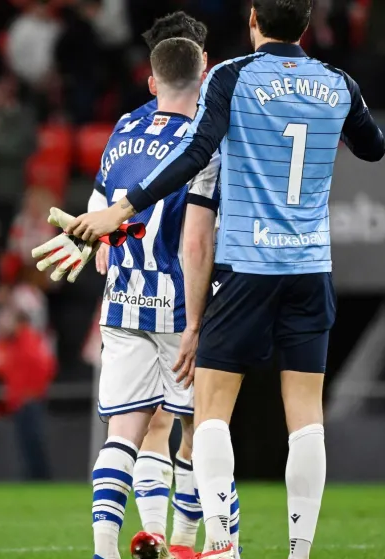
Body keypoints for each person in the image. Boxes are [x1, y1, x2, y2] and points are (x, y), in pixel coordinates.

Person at [62, 1, 385, 557]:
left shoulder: (231, 78)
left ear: (254, 19)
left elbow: (194, 154)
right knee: (306, 416)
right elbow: (374, 147)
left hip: (245, 265)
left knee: (210, 411)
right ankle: (299, 551)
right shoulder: (338, 81)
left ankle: (220, 545)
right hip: (310, 267)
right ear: (306, 25)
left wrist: (123, 209)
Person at [77, 36, 238, 559]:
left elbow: (98, 212)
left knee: (123, 434)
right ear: (205, 74)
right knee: (201, 427)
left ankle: (104, 550)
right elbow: (196, 239)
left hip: (122, 301)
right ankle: (187, 545)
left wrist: (104, 247)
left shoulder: (123, 129)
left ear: (152, 82)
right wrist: (196, 320)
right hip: (178, 302)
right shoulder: (205, 138)